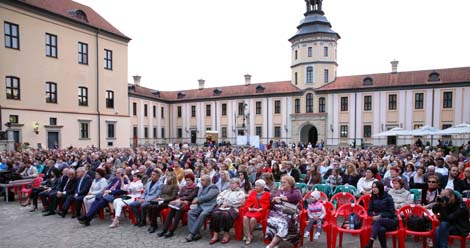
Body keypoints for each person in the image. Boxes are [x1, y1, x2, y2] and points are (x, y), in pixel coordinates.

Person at [265, 175, 302, 248]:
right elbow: (271, 198)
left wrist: (281, 198)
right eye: (281, 182)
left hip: (289, 213)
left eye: (284, 182)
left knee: (283, 223)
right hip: (277, 212)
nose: (282, 184)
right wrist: (274, 199)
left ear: (290, 183)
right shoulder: (280, 191)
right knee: (271, 221)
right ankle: (276, 243)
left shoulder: (295, 190)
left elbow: (296, 197)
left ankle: (271, 245)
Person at [158, 173, 199, 238]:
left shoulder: (196, 188)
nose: (187, 182)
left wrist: (180, 200)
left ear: (193, 180)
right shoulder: (184, 187)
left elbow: (190, 197)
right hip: (180, 202)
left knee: (178, 211)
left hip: (188, 204)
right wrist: (179, 200)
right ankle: (165, 229)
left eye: (189, 180)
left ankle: (172, 230)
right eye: (186, 180)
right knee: (171, 210)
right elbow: (179, 195)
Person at [209, 178, 246, 244]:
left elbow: (241, 202)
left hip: (233, 208)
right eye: (230, 183)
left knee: (226, 215)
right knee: (215, 213)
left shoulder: (241, 192)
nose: (231, 185)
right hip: (222, 206)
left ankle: (226, 234)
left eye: (233, 183)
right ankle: (215, 234)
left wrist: (228, 204)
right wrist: (222, 203)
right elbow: (219, 197)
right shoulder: (226, 191)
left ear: (238, 184)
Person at [185, 174, 219, 242]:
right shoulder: (201, 187)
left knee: (202, 214)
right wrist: (195, 200)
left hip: (209, 206)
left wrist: (198, 200)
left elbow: (208, 197)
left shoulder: (213, 187)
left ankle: (192, 234)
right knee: (190, 212)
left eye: (203, 180)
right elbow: (198, 196)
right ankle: (197, 233)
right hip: (201, 206)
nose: (201, 181)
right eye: (201, 180)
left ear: (208, 181)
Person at [365, 181, 398, 248]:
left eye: (376, 187)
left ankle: (371, 241)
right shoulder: (373, 197)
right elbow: (369, 210)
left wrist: (381, 216)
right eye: (373, 187)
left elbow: (392, 213)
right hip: (378, 222)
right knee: (381, 229)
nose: (374, 189)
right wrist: (373, 216)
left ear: (380, 188)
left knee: (379, 221)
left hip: (390, 220)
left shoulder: (388, 197)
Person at [243, 179, 271, 245]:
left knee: (253, 219)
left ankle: (248, 235)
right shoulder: (253, 193)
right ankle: (249, 235)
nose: (255, 187)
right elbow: (247, 202)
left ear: (263, 187)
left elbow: (267, 205)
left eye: (258, 186)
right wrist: (249, 208)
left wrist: (259, 209)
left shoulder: (267, 194)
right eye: (255, 185)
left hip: (261, 211)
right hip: (251, 210)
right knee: (245, 217)